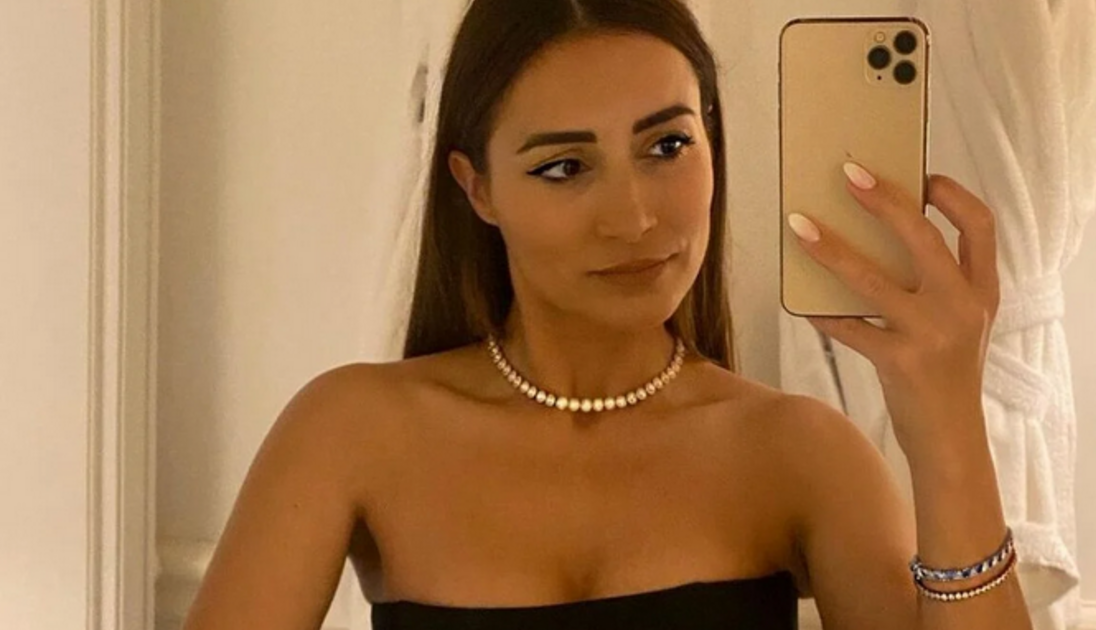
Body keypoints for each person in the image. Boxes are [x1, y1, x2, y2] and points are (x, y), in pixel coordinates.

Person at [183, 0, 1035, 629]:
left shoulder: (800, 452)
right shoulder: (351, 431)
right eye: (563, 167)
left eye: (667, 146)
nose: (633, 218)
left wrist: (949, 423)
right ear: (477, 188)